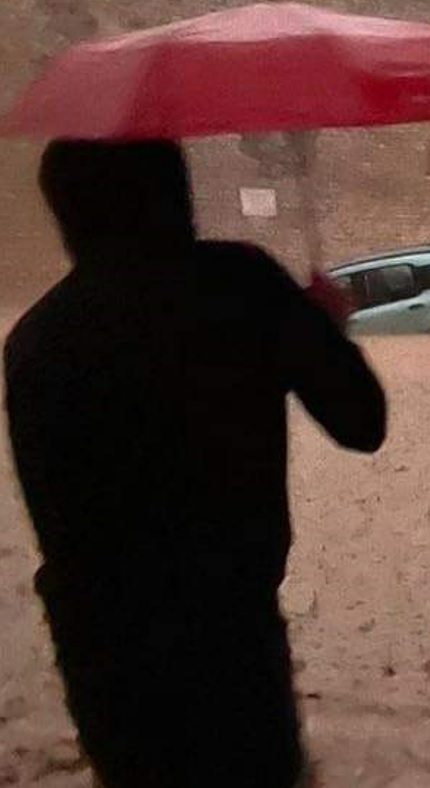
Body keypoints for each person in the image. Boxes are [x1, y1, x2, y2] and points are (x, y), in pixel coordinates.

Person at [4, 139, 388, 788]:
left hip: (102, 663)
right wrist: (322, 332)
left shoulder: (36, 340)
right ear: (177, 192)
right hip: (232, 641)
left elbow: (60, 529)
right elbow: (362, 423)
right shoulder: (242, 285)